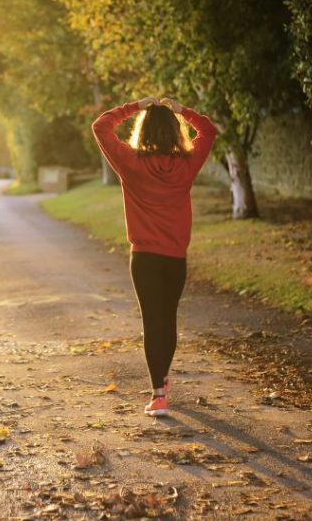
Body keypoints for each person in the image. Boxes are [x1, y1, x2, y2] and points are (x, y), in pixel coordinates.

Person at [91, 96, 218, 416]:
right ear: (175, 132)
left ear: (143, 131)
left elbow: (101, 126)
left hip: (144, 258)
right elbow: (209, 130)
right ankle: (162, 379)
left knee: (152, 321)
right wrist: (182, 111)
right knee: (168, 319)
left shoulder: (130, 163)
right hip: (175, 258)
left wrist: (135, 106)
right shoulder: (186, 165)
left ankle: (158, 393)